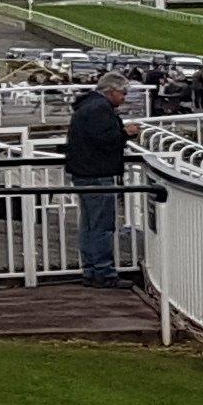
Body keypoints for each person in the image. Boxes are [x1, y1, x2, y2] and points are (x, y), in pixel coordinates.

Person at [63, 78, 137, 286]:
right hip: (97, 173)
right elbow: (105, 140)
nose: (124, 98)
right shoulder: (99, 109)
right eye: (122, 93)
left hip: (84, 171)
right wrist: (126, 133)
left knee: (89, 224)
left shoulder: (88, 106)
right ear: (111, 91)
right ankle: (104, 273)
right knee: (102, 225)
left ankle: (91, 270)